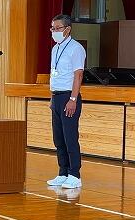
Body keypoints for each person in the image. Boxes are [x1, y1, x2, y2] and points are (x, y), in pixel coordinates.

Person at [47, 14, 86, 189]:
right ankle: (63, 172)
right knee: (58, 137)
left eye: (57, 28)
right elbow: (55, 74)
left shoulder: (75, 48)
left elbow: (78, 75)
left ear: (67, 29)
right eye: (52, 28)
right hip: (57, 97)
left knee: (70, 137)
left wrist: (73, 99)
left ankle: (74, 174)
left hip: (69, 96)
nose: (54, 32)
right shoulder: (55, 49)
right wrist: (52, 98)